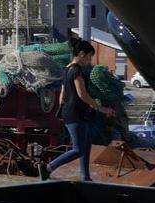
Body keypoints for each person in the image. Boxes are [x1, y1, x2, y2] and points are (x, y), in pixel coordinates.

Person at [45, 38, 117, 181]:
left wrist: (63, 109)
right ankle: (48, 167)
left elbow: (62, 95)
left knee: (87, 144)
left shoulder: (67, 69)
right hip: (75, 114)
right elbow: (82, 95)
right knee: (78, 149)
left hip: (73, 113)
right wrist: (103, 109)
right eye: (90, 56)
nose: (90, 60)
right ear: (82, 54)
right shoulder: (77, 70)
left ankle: (85, 176)